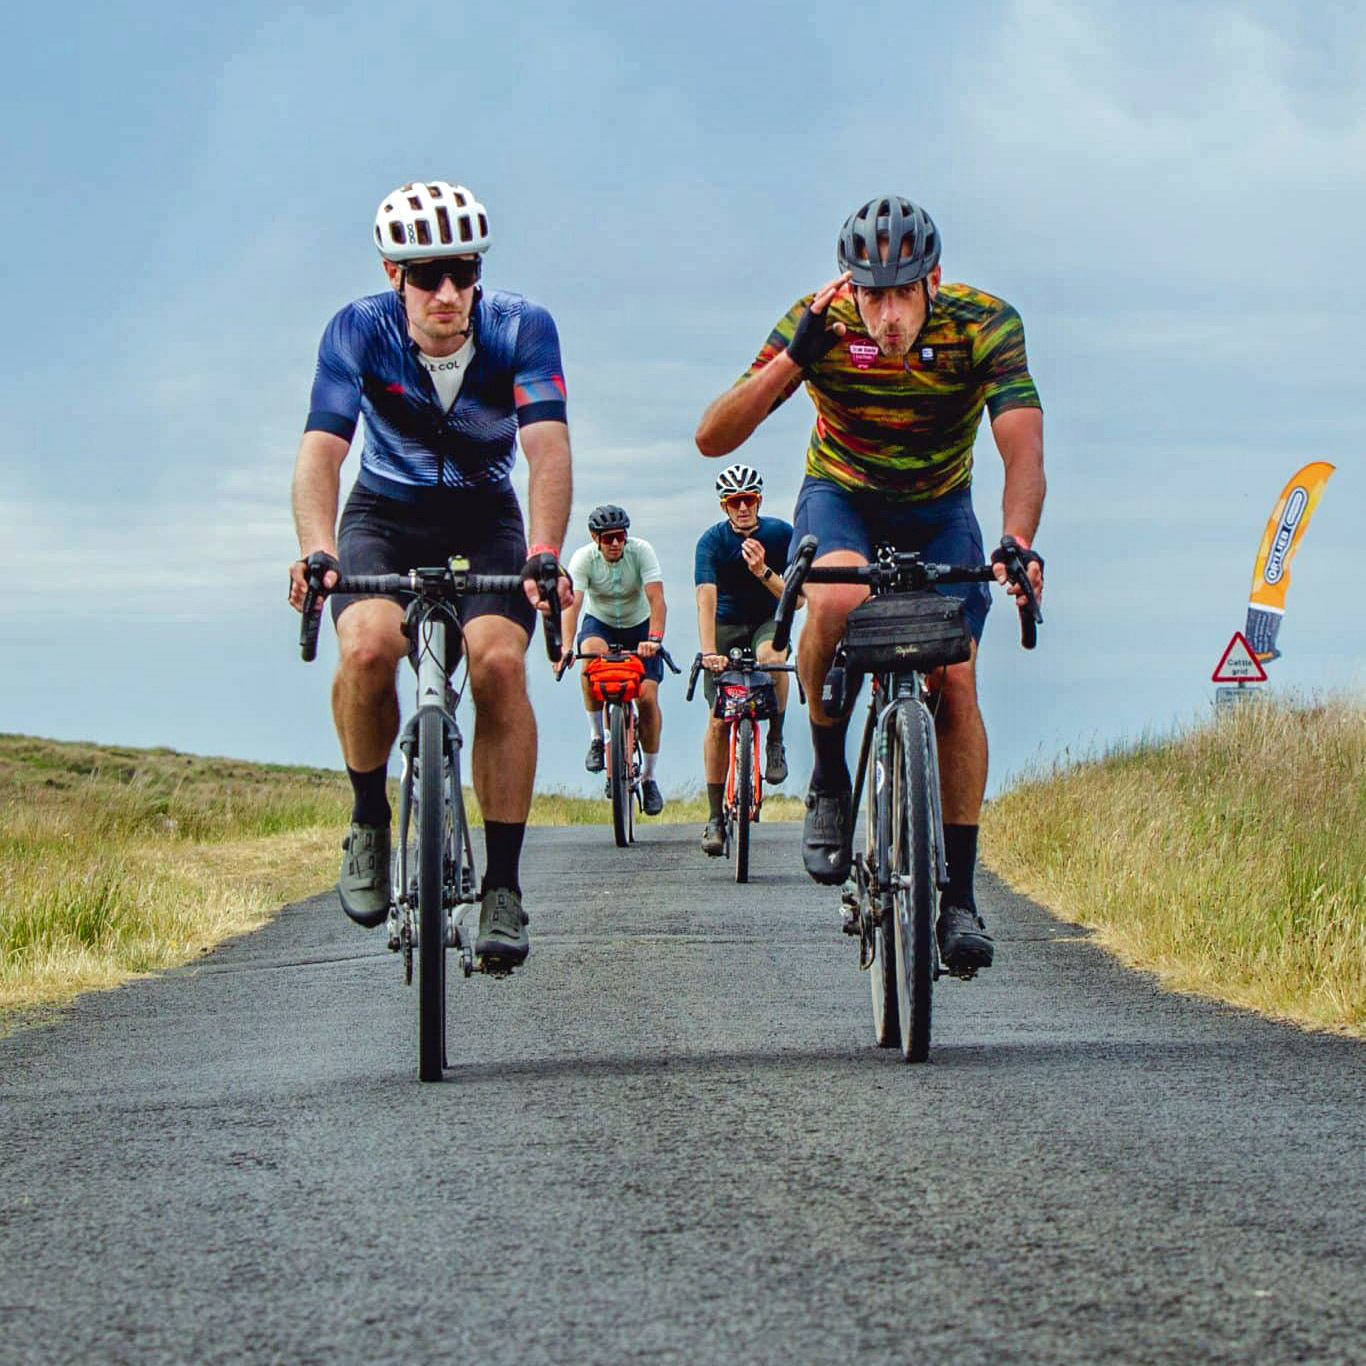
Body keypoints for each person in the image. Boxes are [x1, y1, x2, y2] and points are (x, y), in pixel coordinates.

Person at [694, 195, 1045, 973]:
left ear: (933, 282)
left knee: (955, 677)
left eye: (903, 294)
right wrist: (795, 359)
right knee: (835, 596)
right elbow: (713, 435)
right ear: (848, 286)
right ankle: (828, 773)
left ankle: (958, 898)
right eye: (871, 295)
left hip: (940, 505)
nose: (887, 315)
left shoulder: (984, 324)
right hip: (842, 495)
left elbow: (1023, 449)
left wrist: (1018, 541)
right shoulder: (817, 319)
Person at [287, 180, 573, 968]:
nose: (447, 292)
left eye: (463, 272)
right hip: (385, 514)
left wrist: (546, 550)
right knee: (368, 648)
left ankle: (503, 887)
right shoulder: (357, 330)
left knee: (499, 663)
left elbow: (547, 448)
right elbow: (321, 452)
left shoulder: (521, 328)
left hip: (486, 517)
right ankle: (368, 818)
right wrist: (318, 548)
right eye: (426, 276)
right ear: (394, 275)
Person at [693, 463, 795, 855]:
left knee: (773, 657)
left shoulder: (781, 534)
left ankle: (775, 740)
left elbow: (798, 600)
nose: (742, 508)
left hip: (768, 620)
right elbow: (706, 598)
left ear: (759, 501)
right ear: (724, 506)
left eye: (748, 500)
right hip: (726, 625)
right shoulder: (712, 541)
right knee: (718, 721)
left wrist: (763, 571)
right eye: (734, 501)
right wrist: (709, 653)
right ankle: (715, 818)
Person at [560, 504, 669, 816]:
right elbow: (573, 605)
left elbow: (657, 599)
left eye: (621, 536)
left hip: (640, 626)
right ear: (595, 538)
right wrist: (566, 646)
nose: (616, 543)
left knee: (647, 698)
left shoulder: (641, 551)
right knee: (590, 661)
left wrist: (654, 640)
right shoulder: (583, 559)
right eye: (608, 538)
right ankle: (598, 737)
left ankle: (649, 777)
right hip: (601, 623)